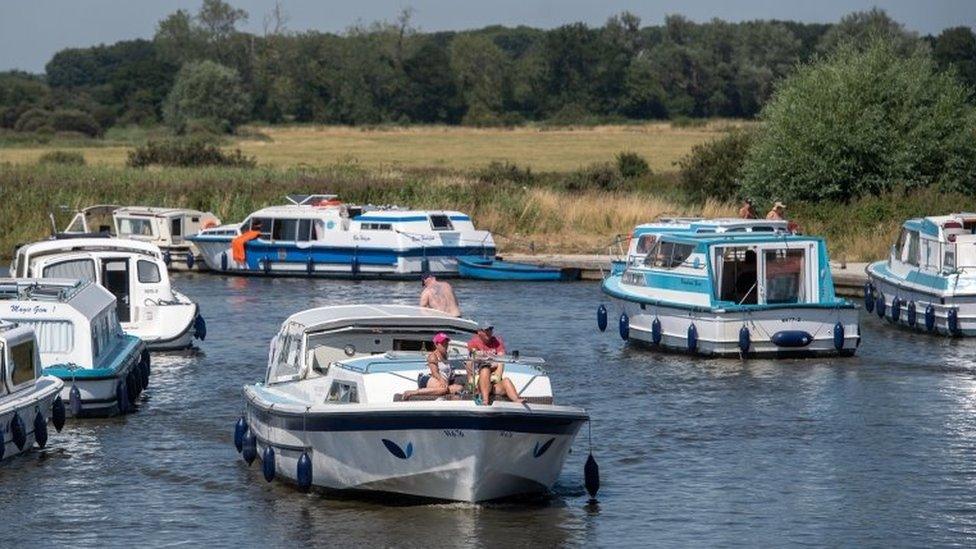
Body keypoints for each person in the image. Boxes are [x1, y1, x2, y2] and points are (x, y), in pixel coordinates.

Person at [467, 322, 523, 405]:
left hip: (493, 378)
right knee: (485, 369)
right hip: (478, 377)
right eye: (486, 330)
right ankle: (485, 400)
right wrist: (486, 358)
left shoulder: (497, 341)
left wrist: (496, 371)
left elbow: (501, 357)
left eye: (490, 329)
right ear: (479, 332)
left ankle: (516, 399)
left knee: (506, 380)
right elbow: (475, 355)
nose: (489, 332)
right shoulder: (473, 342)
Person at [401, 333, 462, 401]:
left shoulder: (447, 357)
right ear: (436, 344)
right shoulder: (433, 356)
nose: (445, 345)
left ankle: (439, 391)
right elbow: (435, 373)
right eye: (443, 344)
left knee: (459, 388)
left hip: (441, 381)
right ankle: (415, 392)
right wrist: (442, 381)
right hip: (428, 378)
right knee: (443, 389)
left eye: (446, 343)